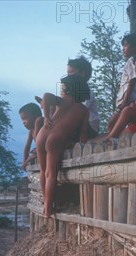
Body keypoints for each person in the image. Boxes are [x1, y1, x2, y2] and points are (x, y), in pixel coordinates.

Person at [36, 74, 90, 217]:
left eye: (63, 88)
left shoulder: (61, 101)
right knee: (51, 173)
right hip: (57, 137)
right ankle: (48, 207)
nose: (61, 90)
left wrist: (46, 116)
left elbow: (46, 96)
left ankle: (46, 203)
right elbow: (83, 134)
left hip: (43, 133)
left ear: (68, 89)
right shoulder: (83, 110)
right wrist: (81, 146)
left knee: (43, 171)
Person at [67, 56, 100, 135]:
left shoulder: (86, 91)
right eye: (67, 74)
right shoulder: (71, 92)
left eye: (71, 73)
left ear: (82, 74)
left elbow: (80, 109)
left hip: (89, 126)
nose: (68, 77)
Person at [19, 102, 44, 169]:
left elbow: (41, 142)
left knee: (33, 155)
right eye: (22, 120)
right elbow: (27, 147)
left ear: (35, 116)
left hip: (48, 147)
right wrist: (24, 161)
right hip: (40, 149)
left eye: (25, 118)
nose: (23, 122)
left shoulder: (41, 121)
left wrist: (29, 159)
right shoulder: (31, 131)